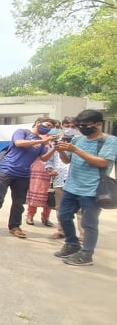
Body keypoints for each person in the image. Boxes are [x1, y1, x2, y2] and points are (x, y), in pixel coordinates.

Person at [53, 109, 117, 266]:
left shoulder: (109, 141)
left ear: (98, 124)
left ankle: (87, 254)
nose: (82, 128)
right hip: (72, 186)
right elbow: (68, 161)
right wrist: (62, 152)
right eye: (79, 125)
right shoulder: (77, 139)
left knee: (88, 223)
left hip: (92, 189)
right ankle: (72, 244)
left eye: (85, 125)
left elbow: (103, 162)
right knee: (63, 216)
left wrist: (75, 150)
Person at [0, 118, 56, 237]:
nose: (48, 129)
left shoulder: (42, 142)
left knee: (19, 202)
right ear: (38, 123)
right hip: (6, 170)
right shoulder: (22, 132)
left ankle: (15, 226)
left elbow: (43, 158)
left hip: (24, 174)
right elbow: (18, 143)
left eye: (51, 127)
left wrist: (54, 148)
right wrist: (41, 142)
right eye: (47, 125)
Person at [48, 117, 84, 240]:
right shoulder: (55, 140)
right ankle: (61, 231)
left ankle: (83, 234)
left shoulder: (81, 141)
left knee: (80, 210)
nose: (70, 129)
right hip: (59, 179)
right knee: (60, 208)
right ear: (62, 126)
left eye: (73, 126)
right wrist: (49, 168)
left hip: (77, 180)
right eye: (67, 125)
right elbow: (49, 158)